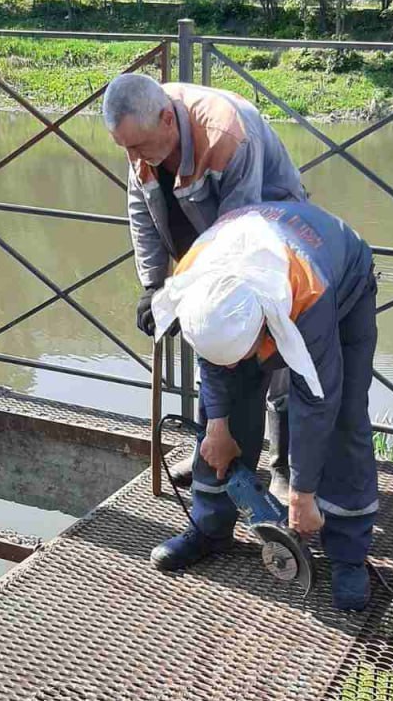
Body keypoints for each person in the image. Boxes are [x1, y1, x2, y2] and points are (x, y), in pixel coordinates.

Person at [149, 202, 379, 611]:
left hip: (341, 287)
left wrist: (302, 493)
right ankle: (209, 528)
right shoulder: (196, 281)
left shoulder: (308, 294)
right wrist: (218, 422)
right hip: (247, 276)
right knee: (223, 417)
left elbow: (316, 399)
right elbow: (211, 356)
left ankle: (347, 554)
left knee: (344, 418)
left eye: (242, 355)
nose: (236, 366)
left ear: (264, 326)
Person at [101, 73, 306, 497]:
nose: (133, 156)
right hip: (206, 239)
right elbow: (141, 206)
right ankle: (210, 456)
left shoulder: (228, 136)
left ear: (167, 122)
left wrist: (193, 292)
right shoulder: (139, 134)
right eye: (125, 149)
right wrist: (154, 287)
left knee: (275, 356)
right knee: (212, 346)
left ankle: (284, 466)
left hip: (270, 239)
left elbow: (239, 235)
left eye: (138, 147)